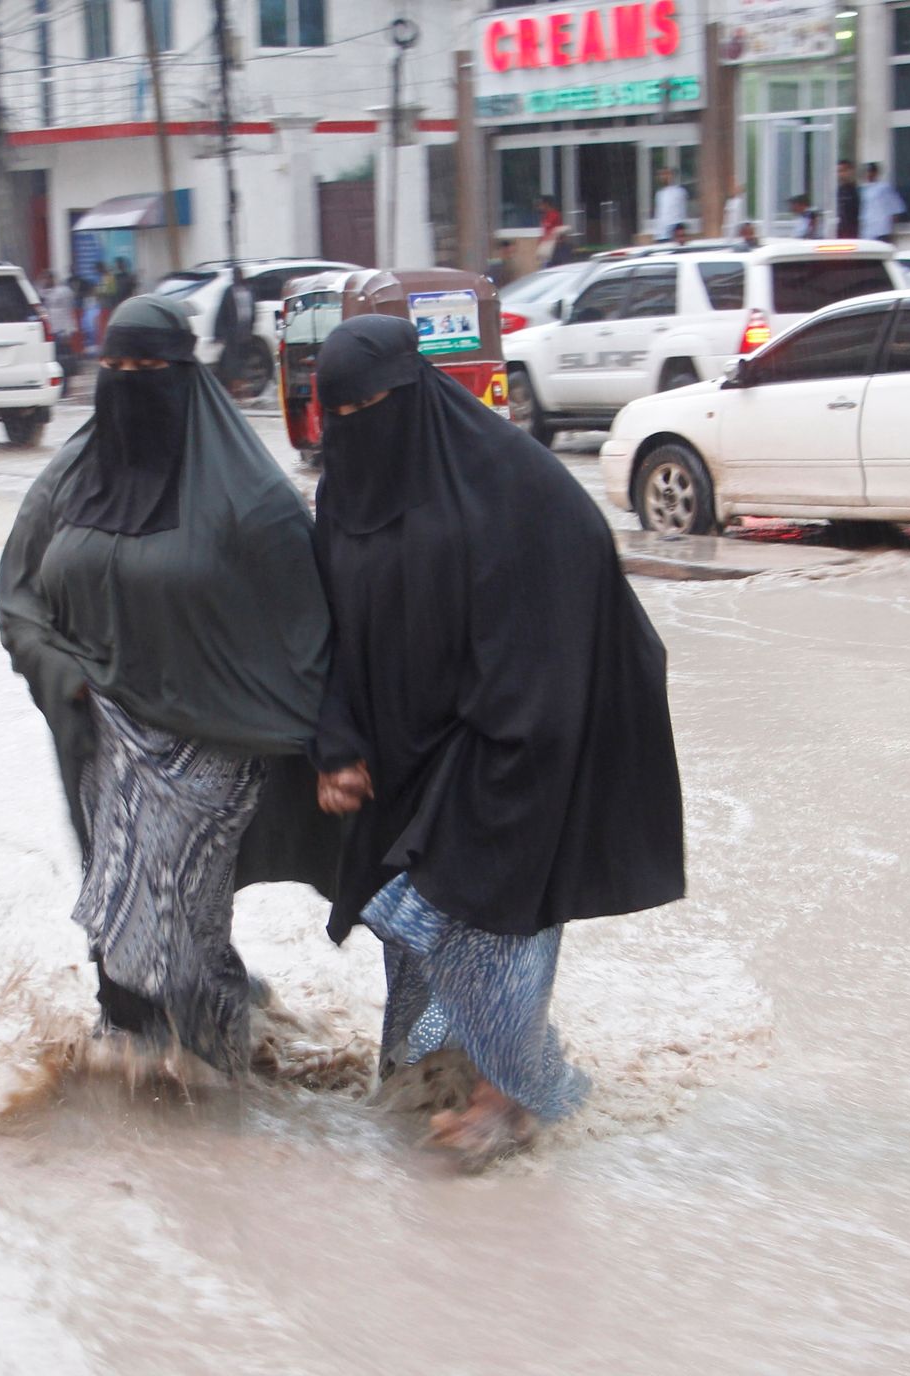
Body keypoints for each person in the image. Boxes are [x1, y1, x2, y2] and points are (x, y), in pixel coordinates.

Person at [308, 315, 687, 1167]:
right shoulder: (347, 488)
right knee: (415, 931)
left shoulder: (516, 485)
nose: (361, 424)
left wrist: (514, 730)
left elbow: (576, 598)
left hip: (515, 735)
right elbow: (329, 620)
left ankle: (514, 1096)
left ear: (415, 394)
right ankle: (431, 1074)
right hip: (400, 748)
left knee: (487, 913)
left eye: (376, 405)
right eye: (343, 413)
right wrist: (335, 739)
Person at [0, 295, 339, 1074]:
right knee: (119, 926)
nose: (129, 384)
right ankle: (150, 1086)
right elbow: (17, 594)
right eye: (115, 369)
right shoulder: (71, 477)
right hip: (96, 737)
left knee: (168, 924)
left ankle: (216, 1085)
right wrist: (62, 674)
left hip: (211, 741)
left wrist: (340, 744)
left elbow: (309, 626)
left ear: (185, 374)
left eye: (149, 369)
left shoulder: (249, 498)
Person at [40, 271, 78, 397]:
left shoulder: (62, 292)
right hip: (50, 332)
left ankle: (65, 388)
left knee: (64, 361)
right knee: (53, 361)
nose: (46, 282)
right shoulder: (43, 294)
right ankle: (57, 387)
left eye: (48, 279)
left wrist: (68, 331)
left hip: (62, 331)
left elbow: (68, 311)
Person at [860, 162, 907, 243]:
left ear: (876, 173)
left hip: (882, 230)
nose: (869, 174)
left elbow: (896, 208)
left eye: (871, 171)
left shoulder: (884, 188)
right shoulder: (864, 189)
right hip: (867, 230)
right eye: (867, 172)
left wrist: (891, 229)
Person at [654, 165, 689, 240]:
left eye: (666, 174)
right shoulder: (659, 194)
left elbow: (681, 213)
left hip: (674, 233)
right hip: (661, 234)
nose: (663, 177)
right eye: (661, 175)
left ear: (672, 176)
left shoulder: (679, 191)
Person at [834, 160, 860, 239]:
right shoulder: (837, 191)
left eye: (843, 171)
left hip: (855, 232)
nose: (841, 174)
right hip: (839, 232)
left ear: (851, 171)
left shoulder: (858, 191)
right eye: (839, 171)